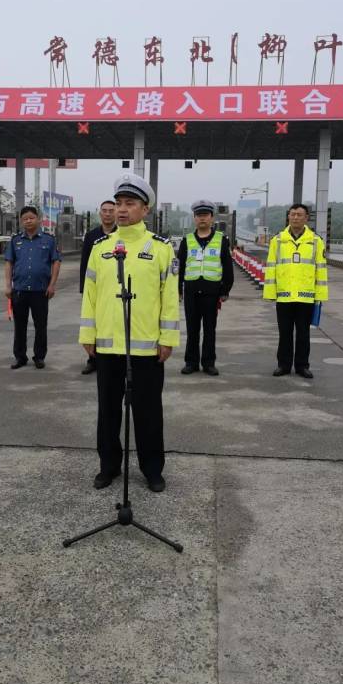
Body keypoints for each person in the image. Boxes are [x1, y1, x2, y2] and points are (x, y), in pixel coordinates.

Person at [79, 173, 179, 493]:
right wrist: (87, 333)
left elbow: (169, 298)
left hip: (147, 349)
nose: (122, 210)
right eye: (119, 203)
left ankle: (152, 469)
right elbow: (90, 295)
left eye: (130, 204)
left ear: (144, 209)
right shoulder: (101, 248)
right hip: (108, 347)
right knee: (108, 411)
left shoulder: (161, 249)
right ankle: (108, 466)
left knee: (148, 412)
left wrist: (168, 339)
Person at [262, 203, 328, 378]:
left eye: (300, 215)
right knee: (284, 333)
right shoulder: (277, 241)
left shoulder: (315, 241)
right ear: (288, 217)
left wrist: (320, 296)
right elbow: (271, 268)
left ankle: (302, 366)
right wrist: (270, 293)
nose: (296, 218)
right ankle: (283, 365)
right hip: (284, 296)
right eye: (293, 214)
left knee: (303, 334)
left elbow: (320, 270)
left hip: (306, 297)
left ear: (306, 218)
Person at [177, 200, 234, 376]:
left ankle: (209, 363)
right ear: (194, 218)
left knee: (210, 329)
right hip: (192, 291)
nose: (202, 219)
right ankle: (191, 362)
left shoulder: (221, 240)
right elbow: (179, 267)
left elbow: (227, 267)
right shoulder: (186, 241)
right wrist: (178, 289)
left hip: (212, 291)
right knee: (192, 328)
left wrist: (225, 290)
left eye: (205, 215)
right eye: (199, 215)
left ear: (212, 218)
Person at [4, 206, 61, 370]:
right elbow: (9, 263)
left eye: (31, 218)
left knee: (40, 325)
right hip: (20, 290)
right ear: (21, 222)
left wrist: (52, 285)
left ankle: (39, 357)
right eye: (25, 219)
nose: (28, 221)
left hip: (40, 290)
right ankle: (20, 357)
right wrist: (8, 286)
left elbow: (56, 262)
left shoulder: (49, 240)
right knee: (19, 326)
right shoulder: (15, 241)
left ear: (38, 219)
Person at [79, 200, 117, 375]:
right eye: (105, 211)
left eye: (111, 210)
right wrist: (83, 289)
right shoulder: (92, 236)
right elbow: (85, 264)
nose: (108, 214)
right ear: (99, 213)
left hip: (115, 289)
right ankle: (93, 360)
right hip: (96, 289)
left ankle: (112, 358)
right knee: (94, 324)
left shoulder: (121, 235)